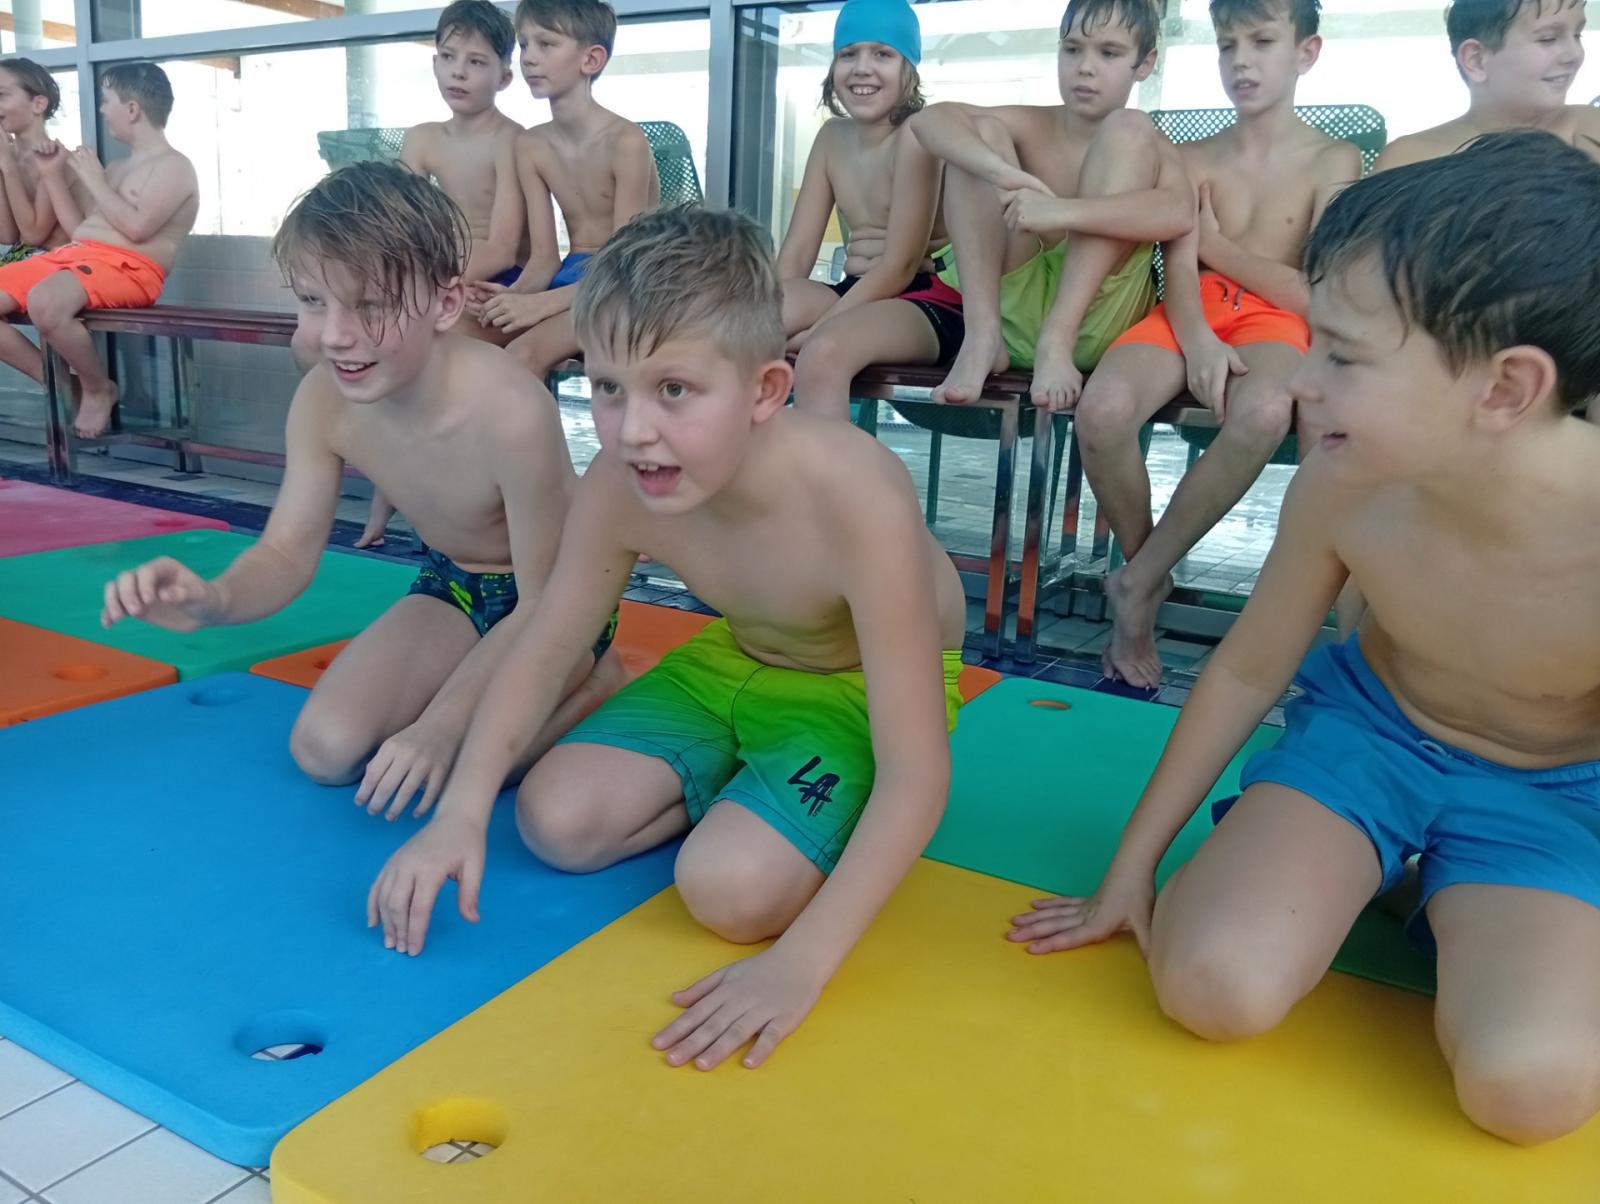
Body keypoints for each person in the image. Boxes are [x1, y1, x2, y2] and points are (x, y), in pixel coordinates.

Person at [1011, 132, 1600, 1146]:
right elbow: (1246, 670)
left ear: (1504, 389)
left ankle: (1424, 886)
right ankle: (1353, 857)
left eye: (1344, 356)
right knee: (1211, 987)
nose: (1302, 381)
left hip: (1547, 797)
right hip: (1368, 741)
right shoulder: (1344, 479)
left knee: (1528, 1092)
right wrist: (1131, 867)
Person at [368, 206, 968, 1074]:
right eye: (608, 387)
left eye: (674, 390)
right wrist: (460, 812)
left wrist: (801, 964)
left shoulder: (855, 494)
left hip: (854, 688)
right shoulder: (620, 484)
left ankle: (756, 807)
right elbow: (548, 642)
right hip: (731, 660)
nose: (633, 429)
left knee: (730, 893)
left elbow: (916, 772)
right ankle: (731, 781)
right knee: (554, 824)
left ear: (765, 391)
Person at [99, 162, 621, 823]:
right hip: (456, 583)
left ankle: (598, 677)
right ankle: (471, 695)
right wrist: (213, 599)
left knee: (469, 760)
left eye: (369, 306)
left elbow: (545, 601)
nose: (335, 335)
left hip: (558, 604)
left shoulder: (509, 410)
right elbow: (285, 553)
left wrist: (440, 727)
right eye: (314, 301)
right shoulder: (324, 400)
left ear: (446, 303)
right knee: (324, 750)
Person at [1073, 0, 1360, 688]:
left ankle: (1137, 580)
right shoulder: (1191, 156)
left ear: (1306, 52)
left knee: (1264, 412)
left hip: (1274, 322)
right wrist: (1198, 338)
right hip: (1188, 310)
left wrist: (1221, 247)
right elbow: (1176, 266)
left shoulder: (1334, 159)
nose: (1242, 62)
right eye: (1229, 45)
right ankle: (1147, 576)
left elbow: (1316, 294)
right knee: (1102, 410)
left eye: (1261, 42)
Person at [908, 0, 1191, 411]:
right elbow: (929, 120)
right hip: (1009, 318)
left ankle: (1058, 336)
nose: (1085, 67)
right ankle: (981, 335)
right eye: (1072, 49)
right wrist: (1002, 172)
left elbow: (1179, 213)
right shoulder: (1033, 123)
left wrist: (1061, 211)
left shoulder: (1149, 142)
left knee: (1129, 127)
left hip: (1098, 321)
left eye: (1109, 53)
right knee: (977, 134)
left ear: (1145, 64)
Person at [340, 0, 527, 550]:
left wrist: (434, 287)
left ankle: (453, 503)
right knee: (372, 347)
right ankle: (391, 495)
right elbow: (396, 226)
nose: (458, 72)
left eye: (476, 62)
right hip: (440, 280)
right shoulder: (423, 139)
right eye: (448, 57)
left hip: (498, 282)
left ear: (504, 76)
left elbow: (502, 245)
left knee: (428, 354)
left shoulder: (513, 140)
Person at [779, 0, 965, 421]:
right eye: (849, 54)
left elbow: (900, 266)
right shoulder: (831, 138)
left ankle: (823, 467)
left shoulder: (918, 134)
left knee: (823, 353)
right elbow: (796, 254)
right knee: (744, 323)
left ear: (909, 68)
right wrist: (755, 318)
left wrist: (817, 329)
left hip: (927, 298)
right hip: (856, 290)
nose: (862, 68)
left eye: (882, 54)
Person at [0, 62, 196, 439]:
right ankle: (62, 384)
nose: (102, 110)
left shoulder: (175, 166)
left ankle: (96, 387)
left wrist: (93, 179)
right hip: (78, 256)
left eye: (107, 101)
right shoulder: (119, 167)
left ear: (132, 109)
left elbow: (138, 228)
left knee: (46, 301)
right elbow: (80, 230)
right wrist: (53, 174)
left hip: (129, 268)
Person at [474, 0, 660, 377]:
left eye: (546, 44)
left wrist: (542, 305)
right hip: (571, 277)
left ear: (591, 59)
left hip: (631, 281)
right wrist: (516, 295)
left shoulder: (625, 141)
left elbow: (626, 264)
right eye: (524, 44)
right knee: (463, 335)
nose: (529, 58)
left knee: (523, 354)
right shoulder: (531, 145)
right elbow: (544, 257)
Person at [1375, 0, 1599, 172]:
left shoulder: (1590, 129)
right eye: (1548, 39)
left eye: (1577, 35)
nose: (1574, 54)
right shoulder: (1408, 159)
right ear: (1476, 60)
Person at [0, 59, 70, 261]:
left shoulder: (57, 159)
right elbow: (7, 235)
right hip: (21, 261)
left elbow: (33, 235)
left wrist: (8, 167)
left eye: (1, 95)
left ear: (38, 104)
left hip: (58, 265)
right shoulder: (8, 157)